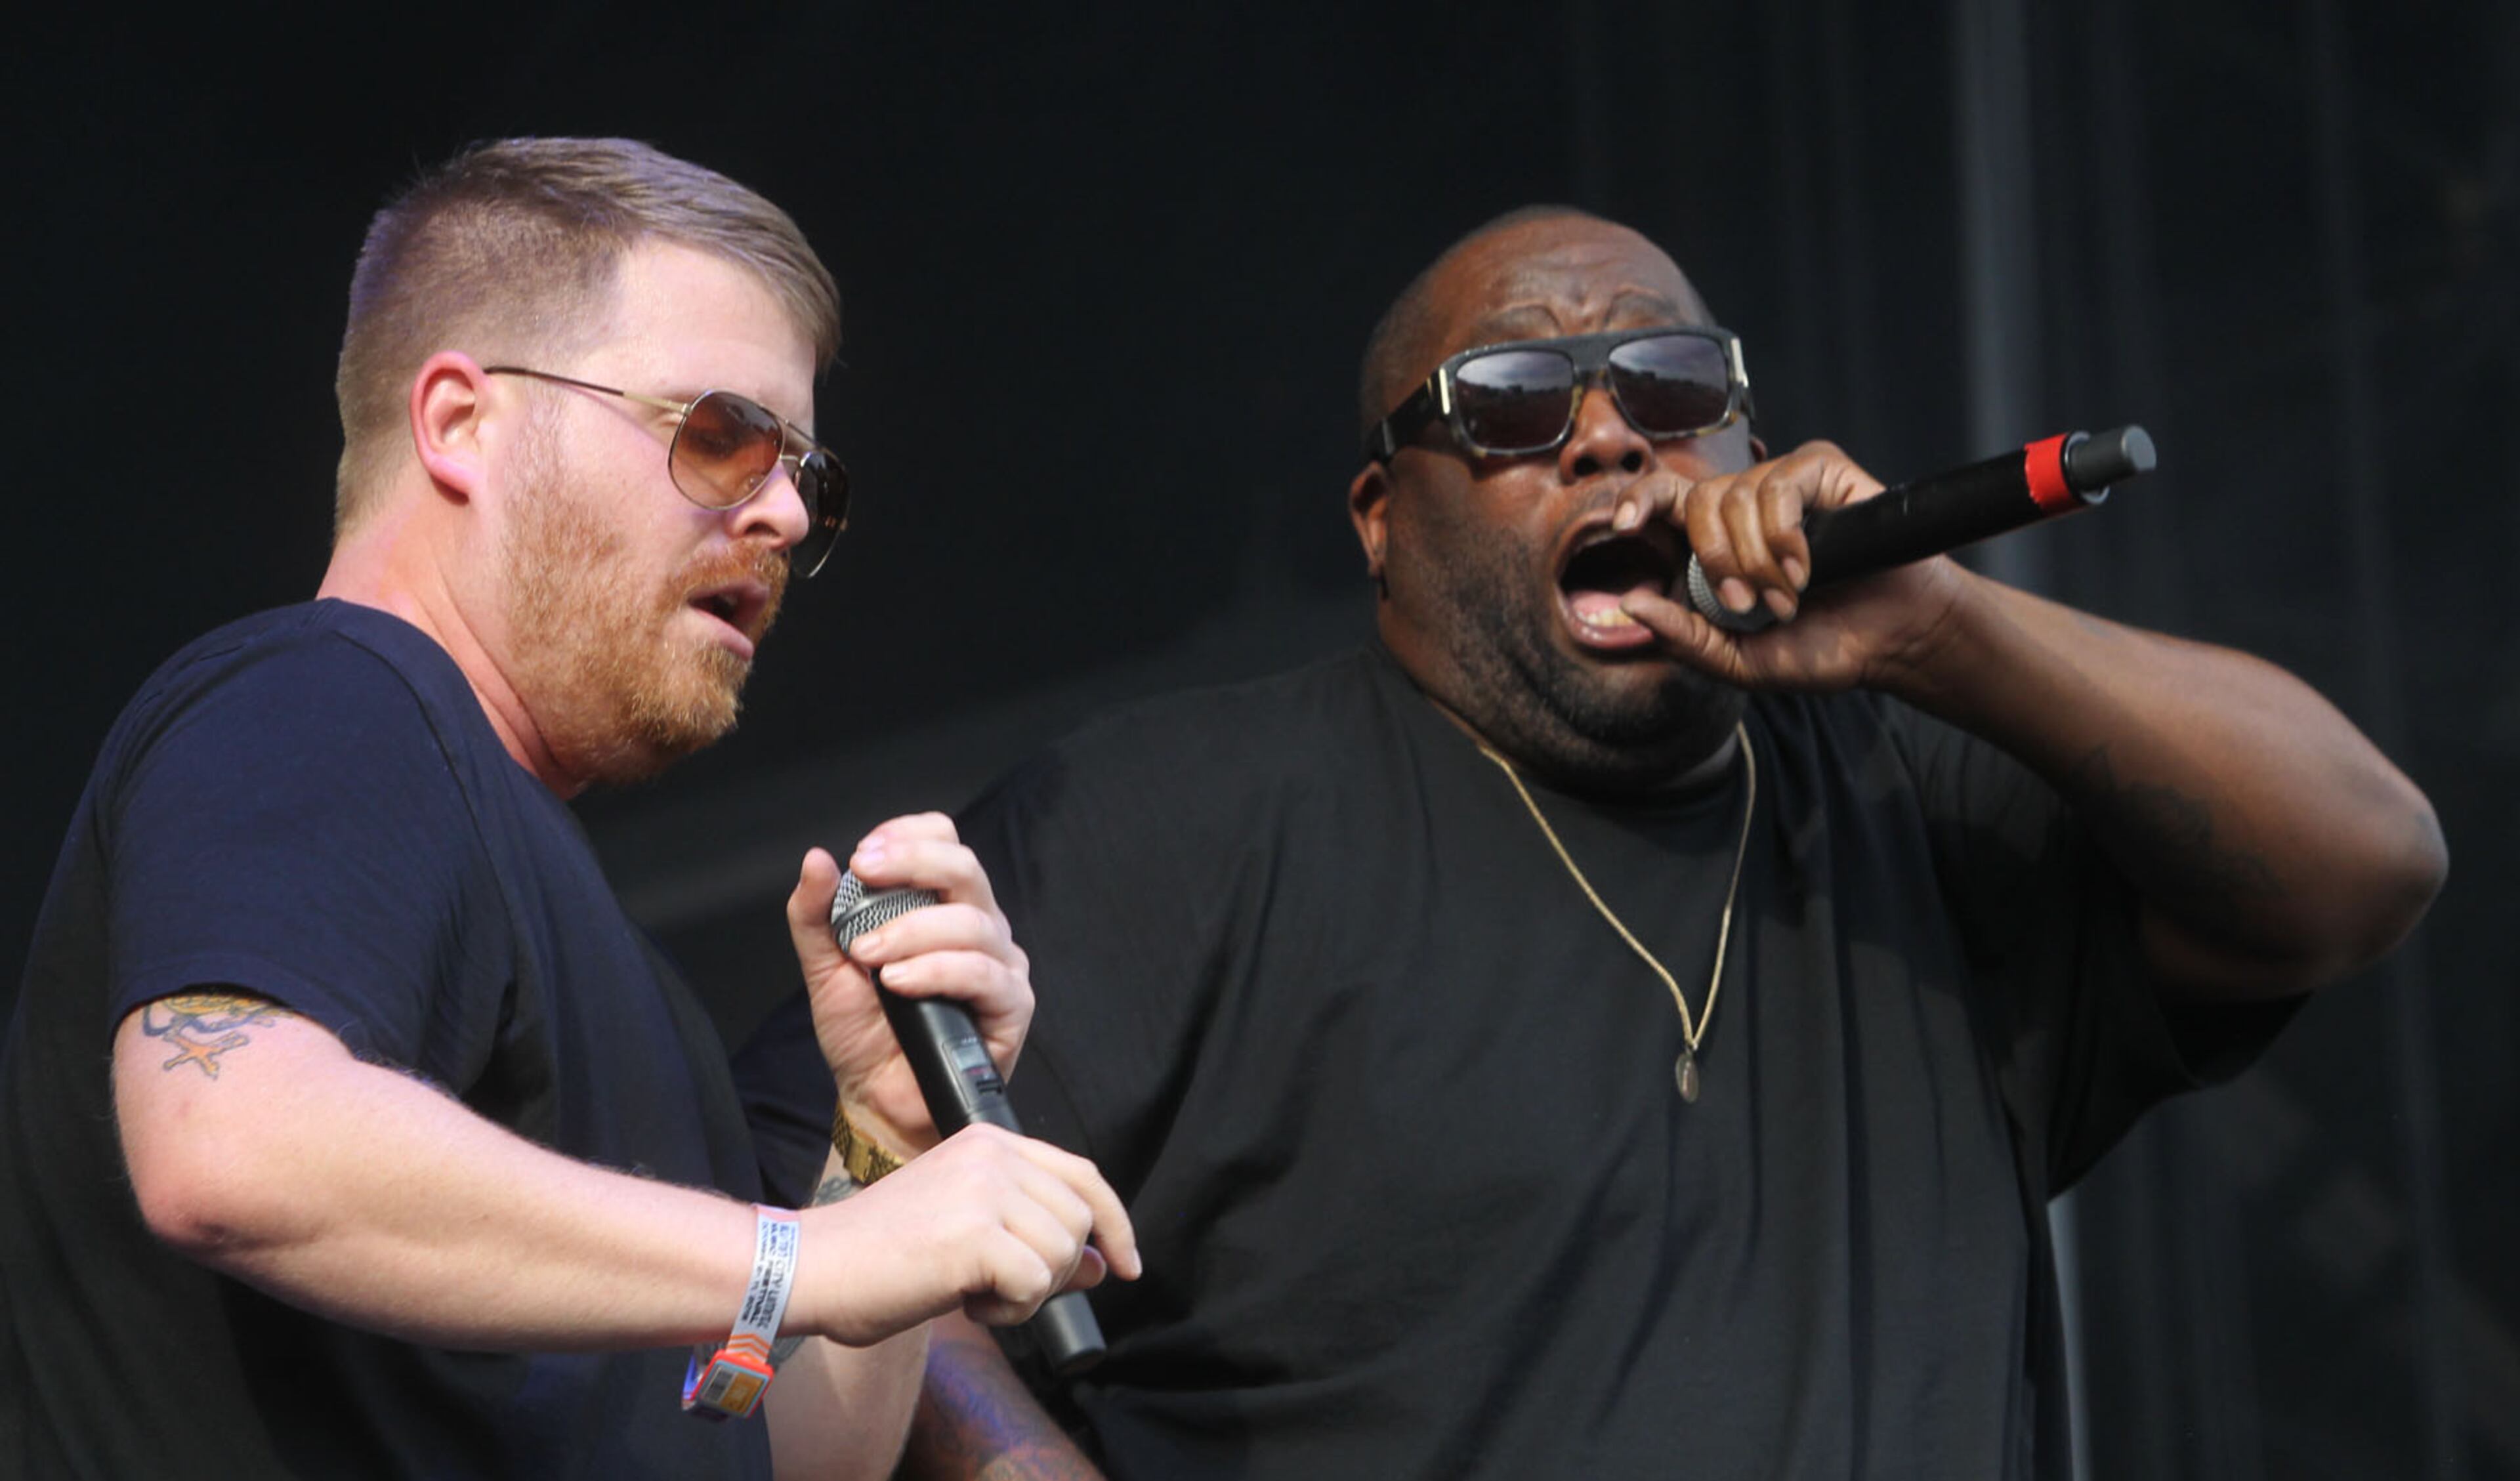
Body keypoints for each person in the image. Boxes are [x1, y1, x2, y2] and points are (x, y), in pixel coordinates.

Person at [869, 206, 2447, 1479]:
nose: (1612, 439)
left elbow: (2370, 860)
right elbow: (832, 1222)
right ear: (1379, 516)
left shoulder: (1912, 801)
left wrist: (1942, 630)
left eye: (1675, 387)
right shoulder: (1177, 819)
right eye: (1512, 402)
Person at [0, 137, 1135, 1481]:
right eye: (720, 436)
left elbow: (789, 1458)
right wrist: (812, 1252)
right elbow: (227, 1140)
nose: (783, 513)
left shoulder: (601, 960)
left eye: (808, 478)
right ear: (459, 424)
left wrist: (878, 1141)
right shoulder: (329, 693)